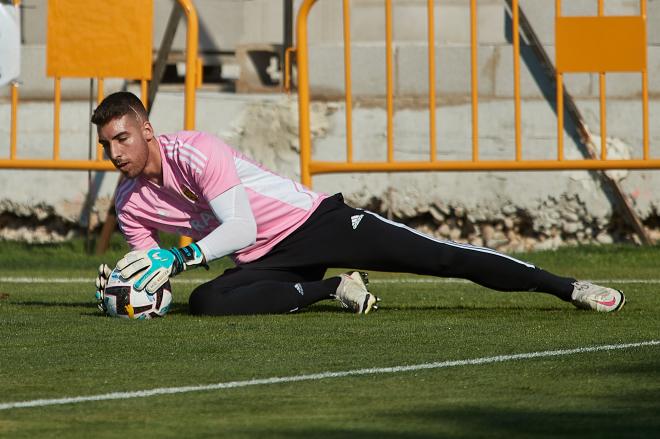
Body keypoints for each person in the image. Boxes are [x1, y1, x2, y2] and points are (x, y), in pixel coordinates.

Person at [92, 91, 625, 316]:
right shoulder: (130, 204)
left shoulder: (198, 150)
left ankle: (568, 287)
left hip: (317, 223)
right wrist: (129, 288)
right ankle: (333, 288)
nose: (115, 153)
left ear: (147, 130)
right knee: (206, 304)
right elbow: (155, 275)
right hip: (266, 260)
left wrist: (179, 257)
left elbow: (240, 224)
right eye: (107, 145)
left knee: (443, 257)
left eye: (123, 139)